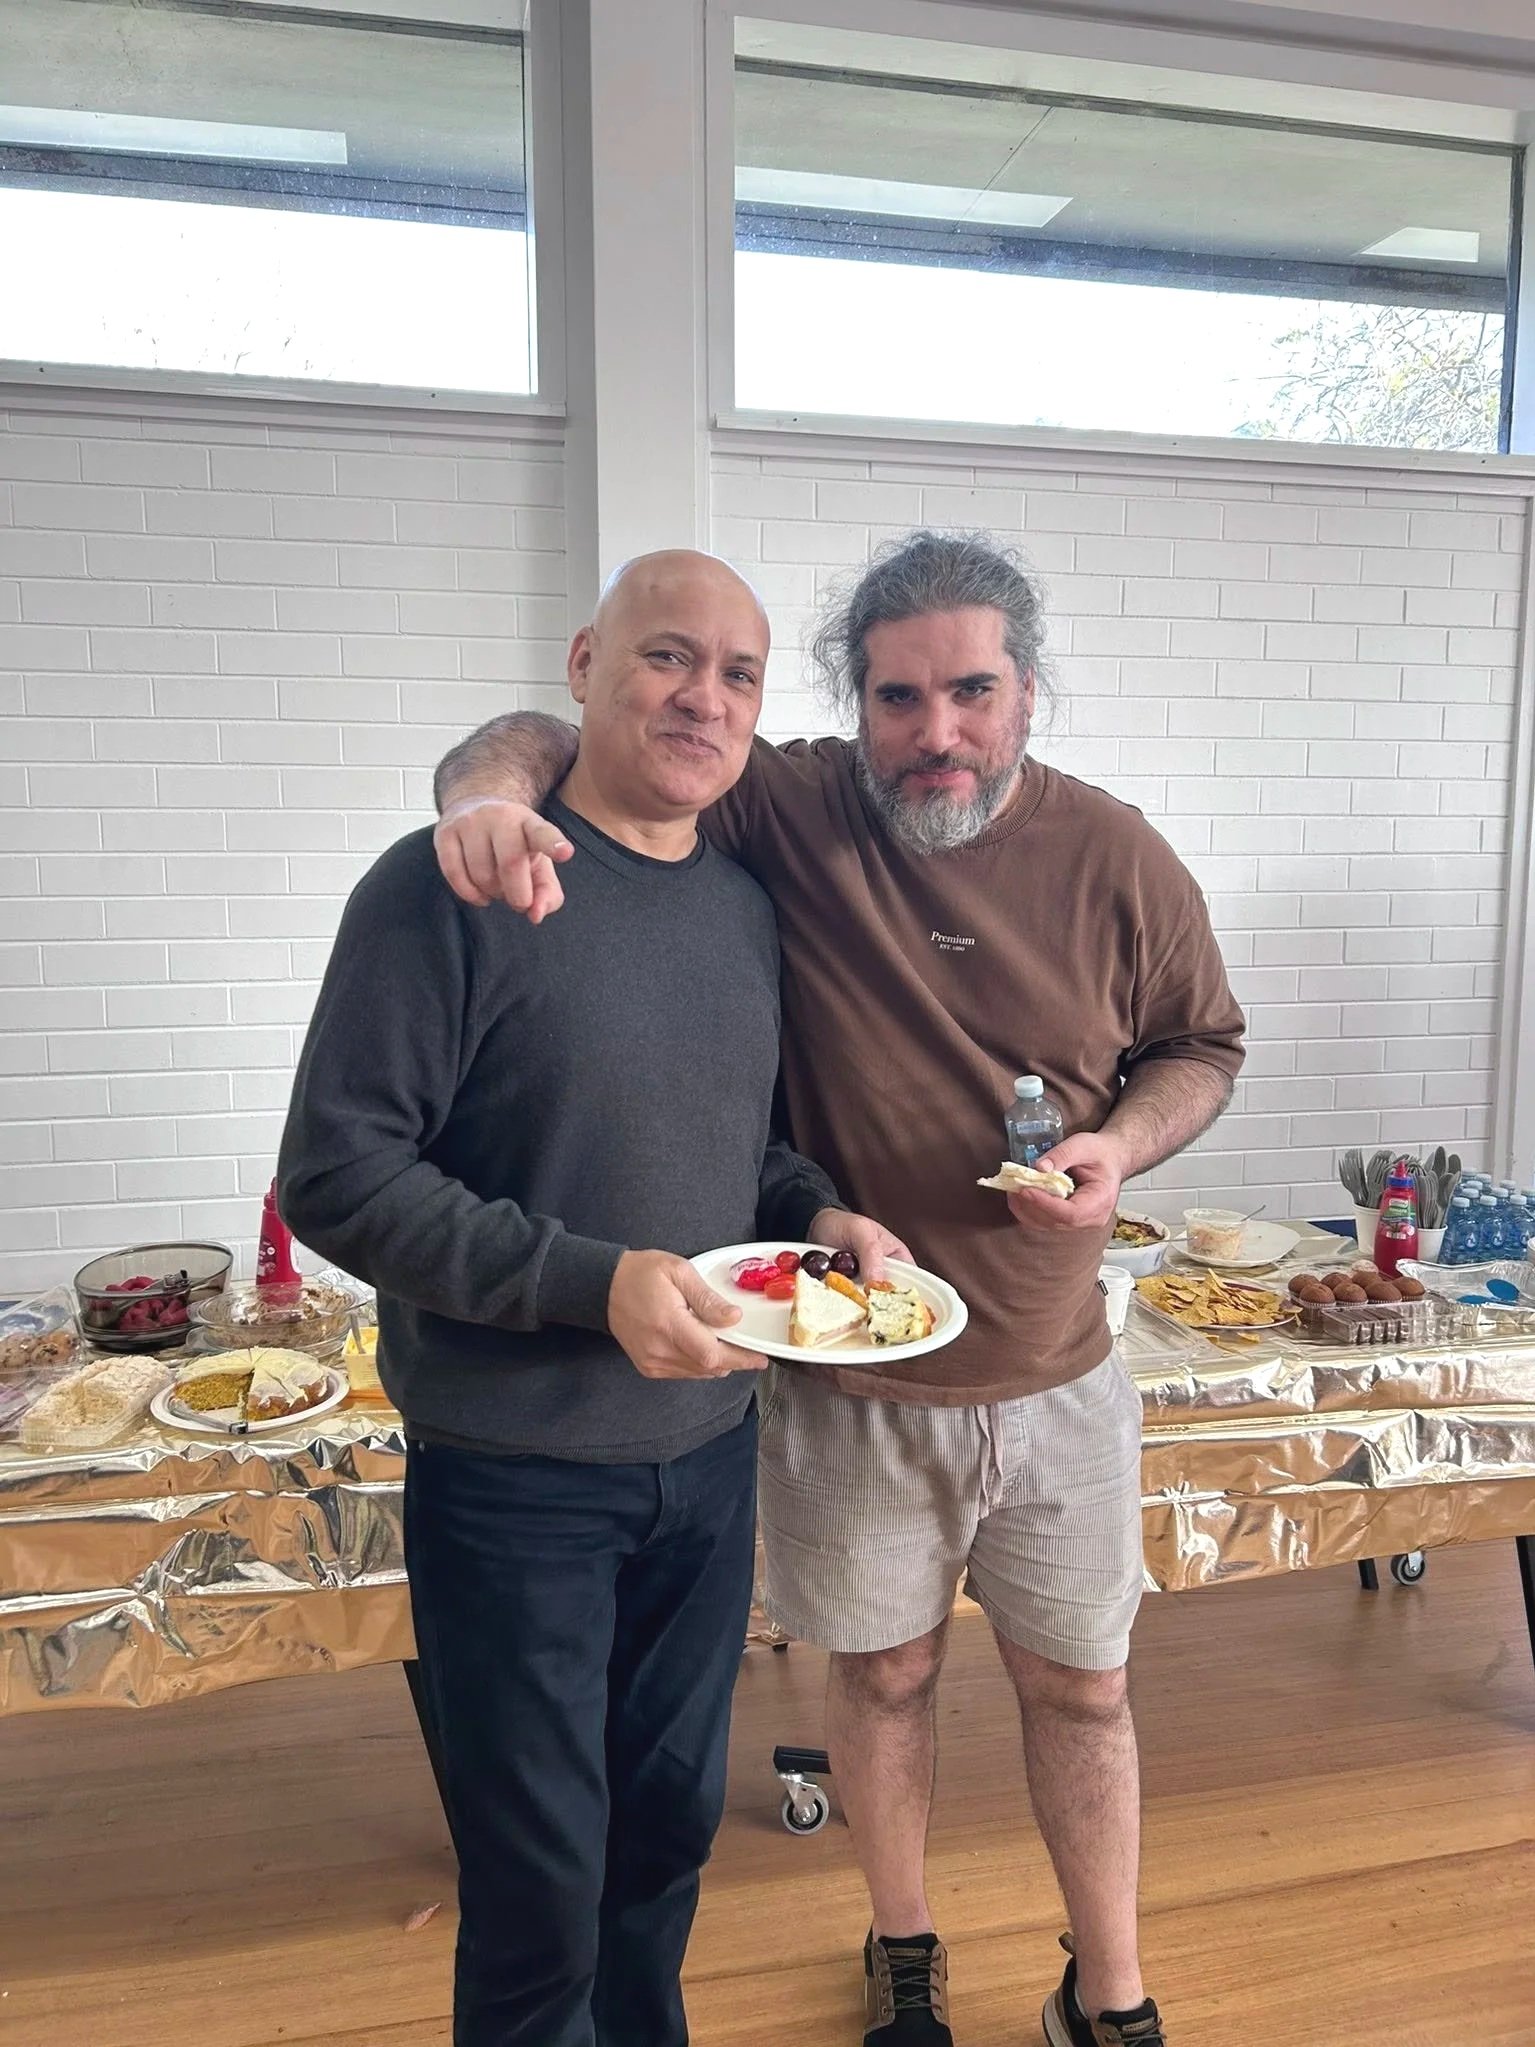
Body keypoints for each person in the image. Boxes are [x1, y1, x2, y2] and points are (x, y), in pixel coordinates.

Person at [430, 530, 1247, 2047]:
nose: (937, 731)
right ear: (852, 705)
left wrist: (1124, 1144)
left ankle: (1109, 1989)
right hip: (852, 1372)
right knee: (882, 1682)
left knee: (1085, 1691)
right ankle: (903, 1945)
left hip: (1061, 1371)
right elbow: (574, 732)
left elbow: (1203, 1044)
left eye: (972, 691)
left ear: (1026, 691)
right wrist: (484, 799)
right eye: (898, 697)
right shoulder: (792, 803)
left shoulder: (1116, 853)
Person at [276, 548, 902, 2047]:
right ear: (584, 666)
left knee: (665, 1845)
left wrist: (814, 1216)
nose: (704, 698)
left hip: (707, 1463)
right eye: (667, 656)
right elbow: (339, 1176)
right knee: (538, 1886)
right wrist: (586, 1285)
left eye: (738, 674)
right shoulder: (453, 883)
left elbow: (735, 1147)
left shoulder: (741, 909)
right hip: (515, 1480)